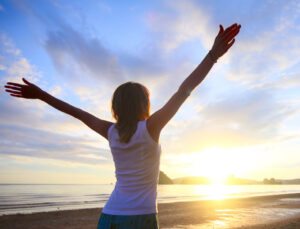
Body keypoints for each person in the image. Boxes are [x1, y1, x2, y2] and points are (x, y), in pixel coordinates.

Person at [4, 23, 241, 228]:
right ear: (144, 105)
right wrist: (212, 56)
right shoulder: (151, 128)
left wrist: (41, 95)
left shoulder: (110, 131)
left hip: (109, 217)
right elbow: (184, 90)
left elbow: (75, 111)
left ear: (116, 108)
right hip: (141, 218)